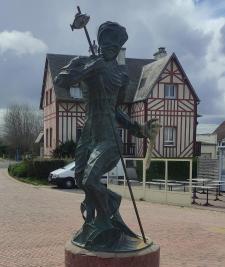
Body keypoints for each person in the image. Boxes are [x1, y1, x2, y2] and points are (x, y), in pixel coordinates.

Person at [55, 21, 159, 251]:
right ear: (99, 44)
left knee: (91, 180)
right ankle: (109, 206)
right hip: (89, 135)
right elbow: (60, 81)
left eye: (115, 47)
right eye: (106, 45)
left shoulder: (120, 75)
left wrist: (138, 130)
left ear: (118, 48)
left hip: (109, 137)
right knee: (82, 180)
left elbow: (116, 111)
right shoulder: (84, 62)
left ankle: (104, 223)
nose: (110, 49)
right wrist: (90, 69)